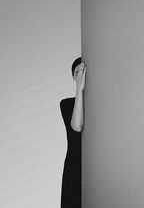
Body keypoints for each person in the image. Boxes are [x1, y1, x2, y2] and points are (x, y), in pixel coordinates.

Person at [59, 57, 86, 208]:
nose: (80, 76)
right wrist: (79, 89)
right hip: (75, 164)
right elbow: (77, 126)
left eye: (83, 73)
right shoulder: (67, 104)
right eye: (77, 73)